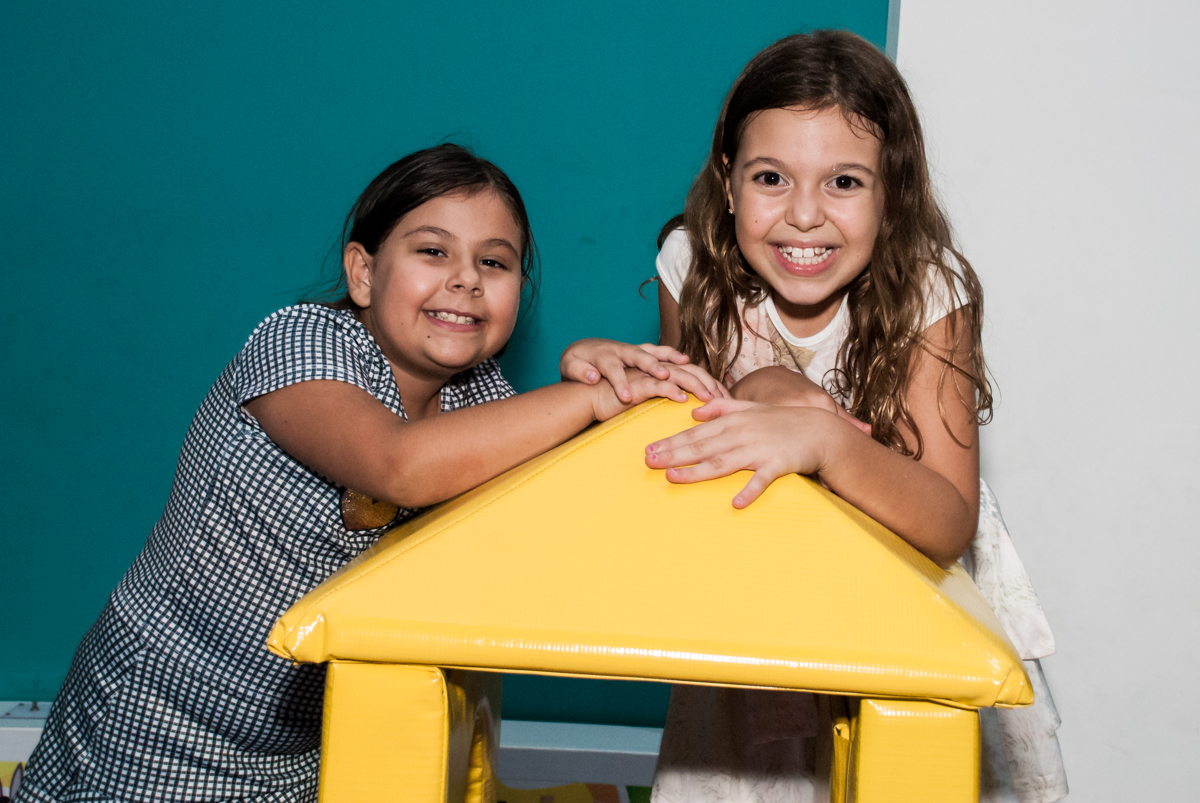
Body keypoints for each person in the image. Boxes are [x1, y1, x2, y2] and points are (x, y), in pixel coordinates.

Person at [15, 144, 722, 803]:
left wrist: (604, 378)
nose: (466, 279)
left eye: (496, 263)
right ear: (362, 271)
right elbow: (400, 465)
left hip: (306, 744)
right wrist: (587, 396)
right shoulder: (297, 342)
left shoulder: (482, 399)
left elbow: (546, 527)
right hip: (163, 714)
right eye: (432, 251)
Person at [566, 30, 1067, 803]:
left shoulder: (929, 293)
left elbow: (945, 520)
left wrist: (827, 439)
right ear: (728, 183)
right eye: (772, 177)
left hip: (907, 603)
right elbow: (694, 433)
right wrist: (625, 387)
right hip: (762, 599)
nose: (805, 216)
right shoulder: (691, 267)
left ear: (891, 193)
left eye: (843, 182)